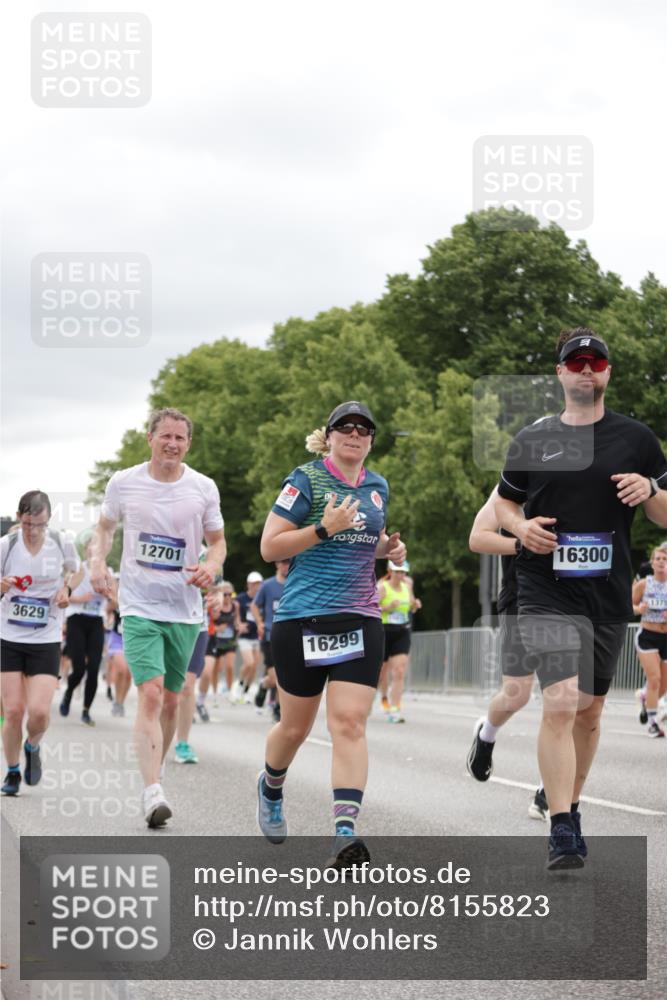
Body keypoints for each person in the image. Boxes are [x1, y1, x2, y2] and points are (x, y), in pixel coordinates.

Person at [492, 328, 667, 869]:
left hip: (607, 590)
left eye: (596, 362)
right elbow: (501, 506)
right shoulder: (532, 438)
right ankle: (562, 825)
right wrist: (520, 530)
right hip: (545, 587)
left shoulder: (638, 440)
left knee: (590, 712)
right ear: (561, 373)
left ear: (608, 372)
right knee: (563, 700)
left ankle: (568, 800)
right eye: (576, 362)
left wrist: (653, 492)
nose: (586, 370)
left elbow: (665, 516)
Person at [254, 400, 406, 868]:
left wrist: (386, 548)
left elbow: (363, 541)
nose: (354, 435)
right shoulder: (305, 480)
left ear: (371, 440)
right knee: (295, 728)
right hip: (302, 619)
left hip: (360, 618)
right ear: (331, 435)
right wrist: (322, 527)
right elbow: (269, 547)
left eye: (363, 429)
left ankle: (344, 832)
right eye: (345, 428)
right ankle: (271, 784)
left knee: (349, 723)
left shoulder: (377, 486)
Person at [90, 408, 226, 828]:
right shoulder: (124, 482)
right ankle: (152, 792)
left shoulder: (202, 488)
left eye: (180, 438)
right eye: (165, 435)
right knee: (148, 694)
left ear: (188, 444)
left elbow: (218, 543)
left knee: (171, 698)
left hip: (184, 609)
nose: (172, 443)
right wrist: (96, 561)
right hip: (139, 605)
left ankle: (157, 769)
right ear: (150, 438)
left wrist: (212, 568)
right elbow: (105, 529)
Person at [467, 485, 548, 820]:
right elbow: (478, 538)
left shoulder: (590, 478)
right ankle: (486, 733)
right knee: (516, 695)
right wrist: (522, 542)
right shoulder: (514, 487)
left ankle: (550, 793)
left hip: (577, 600)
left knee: (567, 700)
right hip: (522, 599)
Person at [1, 491, 81, 796]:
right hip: (8, 637)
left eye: (40, 525)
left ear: (48, 521)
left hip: (45, 638)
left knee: (38, 713)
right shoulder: (6, 546)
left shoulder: (61, 542)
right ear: (20, 518)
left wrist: (66, 588)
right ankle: (12, 772)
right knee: (13, 711)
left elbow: (76, 569)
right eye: (28, 524)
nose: (33, 531)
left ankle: (32, 746)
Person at [59, 543, 106, 725]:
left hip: (96, 622)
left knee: (94, 668)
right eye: (92, 551)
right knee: (79, 669)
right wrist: (82, 598)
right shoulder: (79, 571)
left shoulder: (107, 572)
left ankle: (86, 710)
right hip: (76, 620)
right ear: (87, 553)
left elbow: (115, 598)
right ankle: (69, 692)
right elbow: (65, 596)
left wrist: (108, 593)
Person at [377, 560, 421, 723]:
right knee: (382, 671)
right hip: (383, 631)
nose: (400, 575)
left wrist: (415, 604)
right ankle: (383, 698)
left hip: (402, 631)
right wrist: (387, 606)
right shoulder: (382, 587)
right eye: (397, 571)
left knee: (399, 671)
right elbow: (371, 607)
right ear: (390, 571)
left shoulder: (407, 587)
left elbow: (411, 606)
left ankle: (395, 709)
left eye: (403, 572)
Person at [632, 546, 667, 737]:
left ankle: (646, 699)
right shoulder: (644, 584)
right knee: (654, 679)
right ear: (652, 563)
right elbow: (628, 605)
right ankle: (653, 723)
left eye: (665, 559)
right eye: (658, 559)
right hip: (647, 635)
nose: (661, 562)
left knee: (663, 685)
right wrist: (640, 609)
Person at [251, 559, 291, 720]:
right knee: (275, 678)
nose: (286, 566)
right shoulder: (267, 586)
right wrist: (260, 623)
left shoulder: (295, 584)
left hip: (290, 636)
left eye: (289, 562)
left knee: (285, 676)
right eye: (283, 562)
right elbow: (255, 605)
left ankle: (278, 707)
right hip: (270, 636)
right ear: (277, 564)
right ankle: (264, 685)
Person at [199, 582, 238, 715]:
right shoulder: (196, 594)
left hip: (212, 638)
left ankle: (201, 701)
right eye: (224, 594)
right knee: (193, 675)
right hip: (196, 634)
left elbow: (215, 615)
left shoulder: (224, 603)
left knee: (209, 672)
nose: (227, 597)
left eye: (229, 594)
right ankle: (208, 695)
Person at [232, 572, 263, 703]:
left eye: (258, 583)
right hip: (245, 636)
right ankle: (239, 685)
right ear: (248, 584)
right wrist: (238, 625)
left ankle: (246, 691)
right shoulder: (240, 599)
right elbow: (234, 617)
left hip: (257, 636)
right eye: (254, 583)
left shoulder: (262, 599)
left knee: (255, 666)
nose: (256, 586)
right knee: (249, 663)